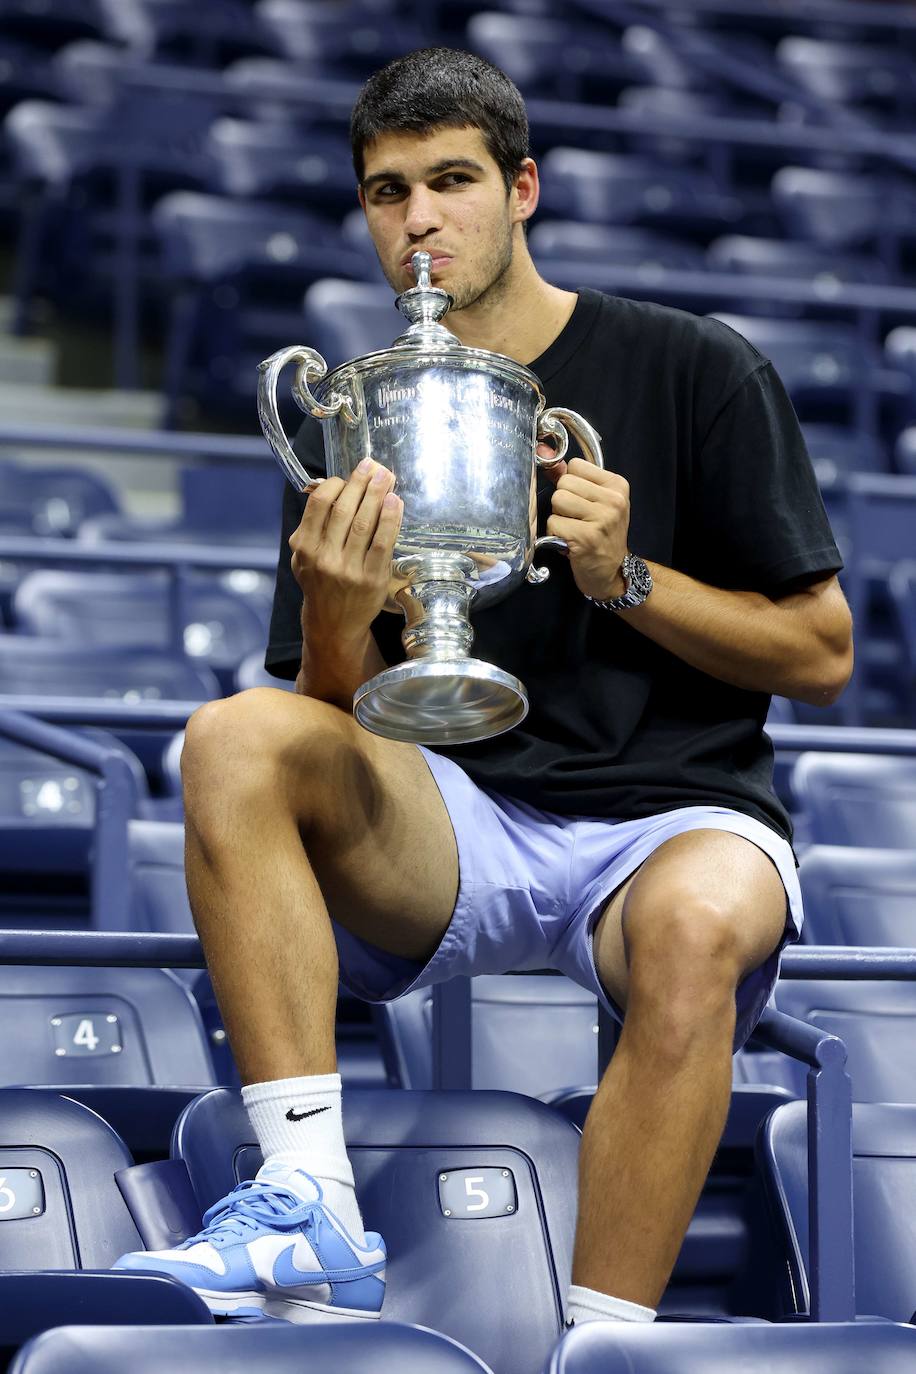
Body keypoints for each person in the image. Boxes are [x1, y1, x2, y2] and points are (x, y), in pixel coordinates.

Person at [114, 47, 853, 1329]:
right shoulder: (356, 410)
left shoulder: (693, 366)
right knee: (235, 736)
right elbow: (330, 712)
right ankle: (307, 1210)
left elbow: (823, 653)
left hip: (665, 819)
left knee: (696, 930)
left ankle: (602, 1345)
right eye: (386, 192)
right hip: (451, 812)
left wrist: (627, 580)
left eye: (450, 182)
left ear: (521, 190)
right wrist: (343, 619)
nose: (419, 221)